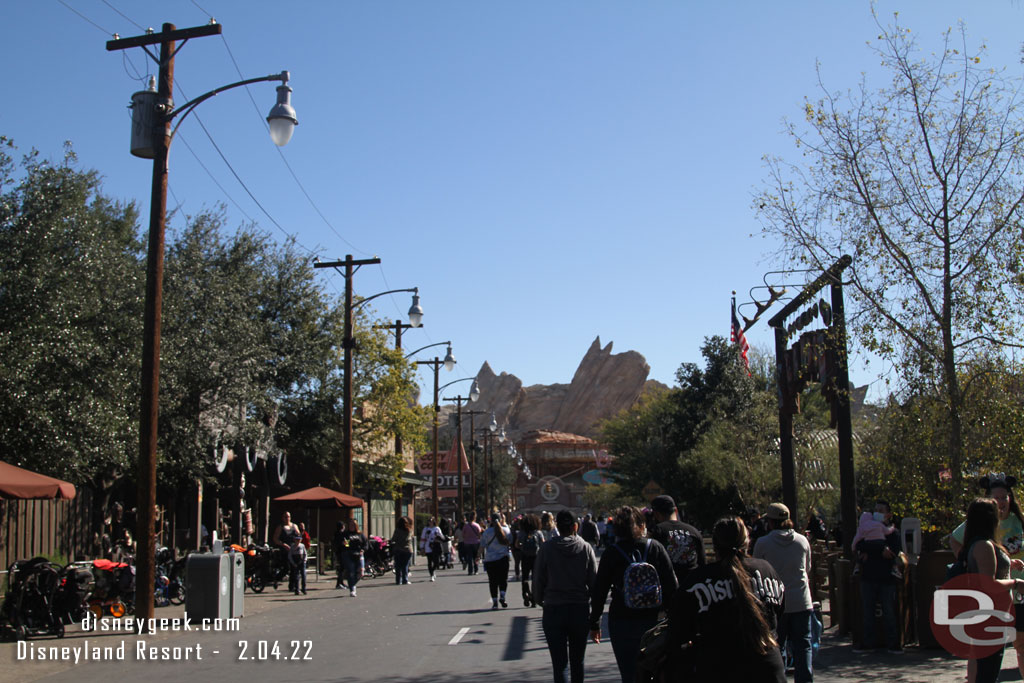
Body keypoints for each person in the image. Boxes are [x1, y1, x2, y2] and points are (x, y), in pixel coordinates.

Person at [669, 516, 786, 682]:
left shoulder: (699, 579)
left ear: (715, 546)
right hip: (767, 665)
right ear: (747, 541)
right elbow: (778, 611)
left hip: (719, 667)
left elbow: (678, 627)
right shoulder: (766, 570)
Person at [589, 505, 678, 683]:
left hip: (622, 618)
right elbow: (672, 585)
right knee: (657, 669)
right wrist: (673, 617)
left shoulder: (611, 553)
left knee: (629, 672)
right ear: (642, 524)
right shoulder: (656, 548)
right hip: (654, 619)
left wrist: (595, 622)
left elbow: (600, 590)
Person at [950, 475, 1024, 678]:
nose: (1000, 507)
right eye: (995, 504)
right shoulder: (983, 545)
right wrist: (1016, 582)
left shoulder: (985, 543)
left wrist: (1008, 563)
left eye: (1004, 498)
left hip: (994, 611)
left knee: (989, 668)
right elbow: (988, 584)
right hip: (988, 613)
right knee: (985, 669)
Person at [534, 508, 598, 683]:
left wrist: (540, 600)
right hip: (579, 608)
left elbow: (538, 579)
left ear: (557, 526)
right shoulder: (585, 548)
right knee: (578, 661)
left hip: (554, 608)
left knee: (559, 664)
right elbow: (594, 582)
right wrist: (595, 615)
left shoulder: (546, 548)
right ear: (575, 526)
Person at [753, 502, 814, 683]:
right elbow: (808, 567)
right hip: (801, 600)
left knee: (777, 646)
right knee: (804, 645)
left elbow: (757, 569)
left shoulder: (763, 543)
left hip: (775, 602)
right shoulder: (802, 541)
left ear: (770, 522)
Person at [853, 500, 903, 654]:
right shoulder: (866, 529)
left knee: (889, 611)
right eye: (875, 510)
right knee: (867, 611)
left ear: (888, 514)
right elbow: (859, 545)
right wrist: (880, 548)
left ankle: (893, 643)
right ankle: (868, 643)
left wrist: (871, 550)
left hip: (886, 577)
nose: (877, 513)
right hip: (868, 576)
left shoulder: (893, 532)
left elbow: (893, 551)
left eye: (881, 510)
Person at [649, 494, 705, 586]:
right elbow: (702, 564)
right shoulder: (694, 531)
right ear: (675, 510)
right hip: (694, 587)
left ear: (656, 514)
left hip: (670, 589)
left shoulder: (656, 531)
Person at [480, 512, 512, 608]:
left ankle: (495, 602)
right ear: (501, 520)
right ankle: (502, 595)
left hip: (490, 559)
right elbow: (510, 542)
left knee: (492, 581)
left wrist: (478, 556)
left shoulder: (486, 532)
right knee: (503, 579)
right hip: (503, 558)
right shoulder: (506, 530)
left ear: (491, 521)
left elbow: (482, 546)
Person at [519, 513, 546, 607]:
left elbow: (516, 544)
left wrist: (522, 547)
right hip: (536, 557)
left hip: (525, 557)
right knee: (535, 578)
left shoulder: (522, 532)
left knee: (525, 577)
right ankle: (534, 598)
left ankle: (525, 593)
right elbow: (543, 544)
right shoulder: (538, 532)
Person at [338, 518, 367, 596]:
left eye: (353, 525)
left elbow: (365, 544)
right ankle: (352, 588)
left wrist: (363, 550)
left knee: (361, 572)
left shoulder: (360, 534)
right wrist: (344, 544)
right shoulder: (346, 534)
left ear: (356, 526)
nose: (352, 526)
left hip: (359, 554)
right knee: (351, 571)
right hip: (348, 554)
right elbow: (344, 544)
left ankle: (352, 583)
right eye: (350, 525)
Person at [390, 515, 414, 585]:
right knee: (405, 565)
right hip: (407, 549)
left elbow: (393, 539)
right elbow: (409, 539)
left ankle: (398, 580)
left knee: (398, 566)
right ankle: (405, 579)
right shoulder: (409, 530)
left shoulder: (397, 530)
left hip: (398, 549)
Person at [420, 517, 446, 582]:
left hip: (436, 546)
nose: (430, 522)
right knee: (429, 561)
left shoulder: (437, 528)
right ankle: (431, 574)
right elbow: (423, 538)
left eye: (431, 521)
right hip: (428, 546)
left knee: (436, 561)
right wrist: (422, 547)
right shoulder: (425, 529)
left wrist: (438, 537)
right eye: (429, 521)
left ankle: (433, 570)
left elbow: (441, 536)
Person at [463, 511, 482, 575]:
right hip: (476, 543)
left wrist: (467, 538)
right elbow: (479, 534)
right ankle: (476, 570)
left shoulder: (466, 526)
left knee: (469, 557)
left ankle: (470, 571)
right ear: (474, 518)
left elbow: (463, 534)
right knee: (475, 557)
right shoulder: (477, 525)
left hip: (467, 543)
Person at [331, 520, 347, 589]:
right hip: (341, 552)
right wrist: (347, 545)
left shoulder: (336, 534)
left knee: (342, 568)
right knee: (342, 569)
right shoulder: (341, 534)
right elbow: (345, 543)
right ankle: (338, 583)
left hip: (338, 552)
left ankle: (341, 582)